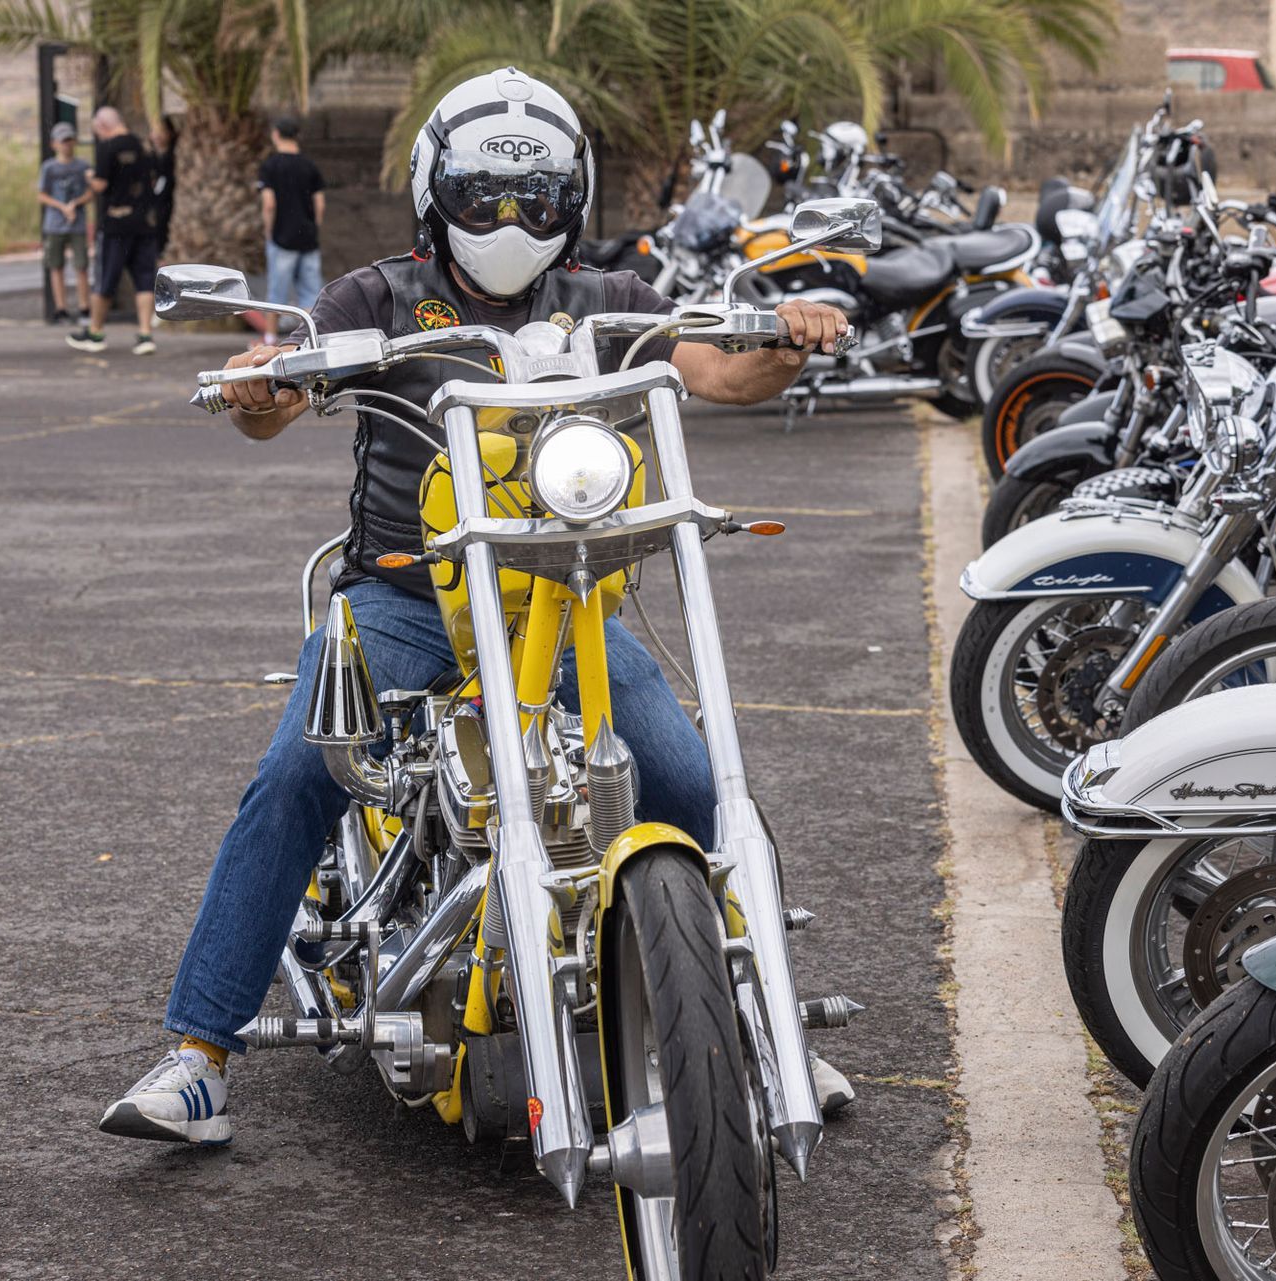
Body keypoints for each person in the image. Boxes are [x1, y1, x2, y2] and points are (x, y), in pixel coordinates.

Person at [99, 67, 850, 1146]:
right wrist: (262, 379)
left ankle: (753, 1019)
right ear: (434, 192)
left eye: (534, 197)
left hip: (564, 602)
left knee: (687, 777)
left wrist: (784, 340)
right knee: (292, 780)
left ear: (572, 200)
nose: (509, 219)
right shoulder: (377, 297)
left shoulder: (612, 301)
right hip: (402, 601)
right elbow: (286, 390)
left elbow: (717, 374)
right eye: (485, 195)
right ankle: (199, 1057)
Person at [67, 107, 159, 356]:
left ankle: (95, 332)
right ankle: (145, 334)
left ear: (102, 126)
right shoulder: (143, 146)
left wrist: (88, 176)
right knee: (144, 280)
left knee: (106, 279)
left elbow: (100, 183)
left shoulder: (107, 147)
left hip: (116, 225)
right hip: (144, 223)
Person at [256, 116, 324, 346]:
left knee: (276, 293)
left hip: (281, 237)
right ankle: (310, 341)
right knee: (311, 295)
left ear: (276, 134)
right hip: (308, 238)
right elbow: (319, 204)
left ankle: (270, 339)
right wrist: (314, 227)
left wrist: (269, 231)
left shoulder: (270, 166)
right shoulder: (310, 166)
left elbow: (269, 203)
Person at [36, 122, 92, 325]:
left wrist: (76, 203)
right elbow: (41, 195)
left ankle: (85, 307)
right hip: (55, 224)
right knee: (56, 266)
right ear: (54, 144)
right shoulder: (49, 168)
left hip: (76, 224)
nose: (67, 145)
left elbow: (91, 191)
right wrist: (62, 207)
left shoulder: (83, 166)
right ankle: (61, 309)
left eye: (69, 141)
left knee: (81, 266)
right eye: (63, 141)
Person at [149, 114, 179, 259]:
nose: (157, 136)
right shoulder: (150, 158)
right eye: (154, 132)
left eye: (161, 132)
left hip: (172, 207)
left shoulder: (176, 157)